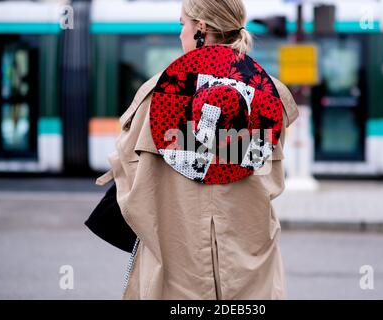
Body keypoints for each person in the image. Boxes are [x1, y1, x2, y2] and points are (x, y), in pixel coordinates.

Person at [95, 0, 299, 300]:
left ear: (201, 27)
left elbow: (132, 180)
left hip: (177, 267)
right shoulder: (271, 93)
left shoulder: (158, 94)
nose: (180, 34)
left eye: (182, 24)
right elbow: (269, 179)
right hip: (250, 267)